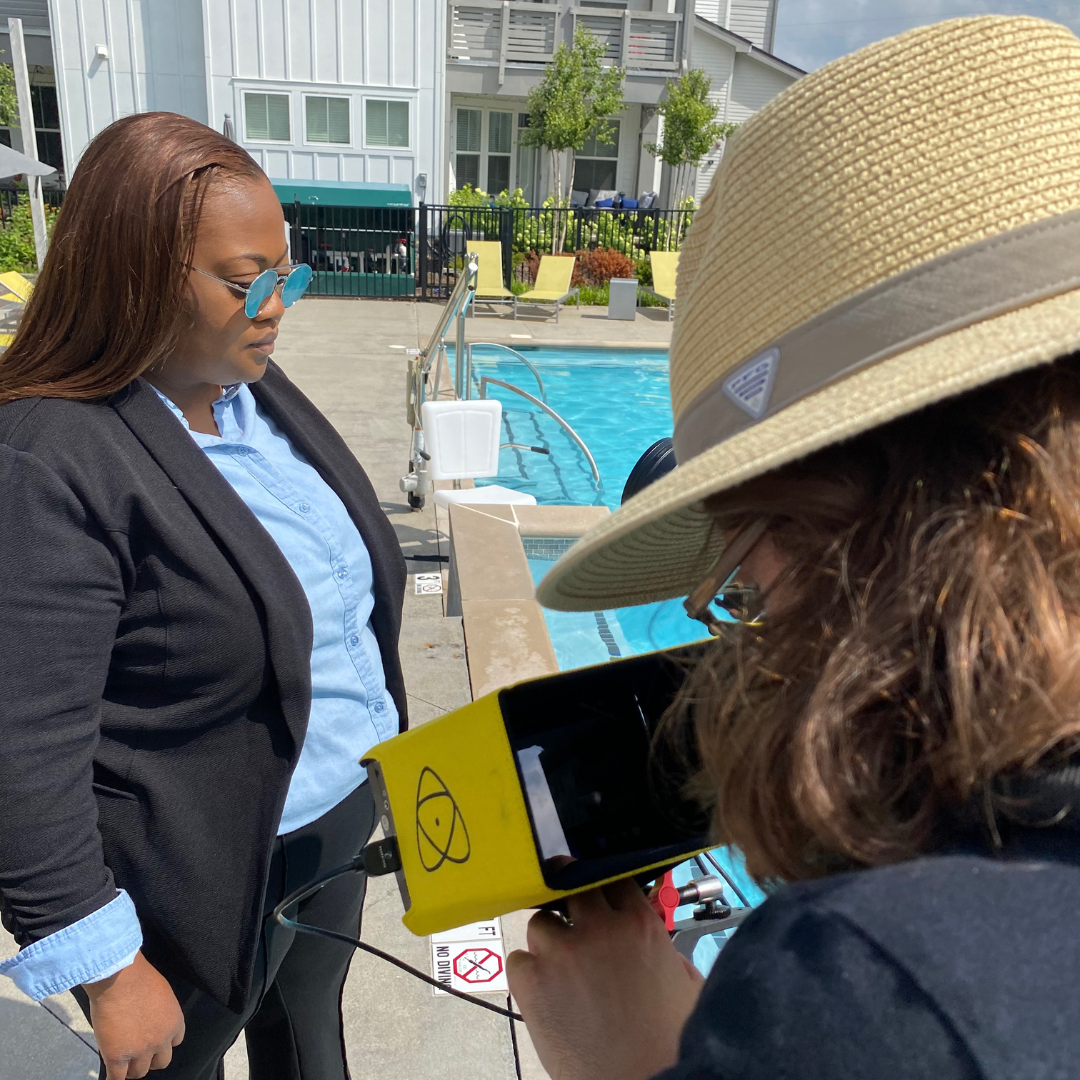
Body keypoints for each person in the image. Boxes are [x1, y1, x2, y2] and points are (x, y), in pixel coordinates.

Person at [511, 16, 1080, 1080]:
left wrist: (640, 1059)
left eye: (743, 578)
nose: (758, 635)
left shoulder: (868, 993)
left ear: (820, 523)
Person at [0, 113, 406, 1079]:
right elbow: (23, 739)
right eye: (244, 281)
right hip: (201, 865)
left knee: (308, 1031)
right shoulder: (51, 460)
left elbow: (344, 607)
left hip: (333, 820)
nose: (276, 306)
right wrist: (102, 960)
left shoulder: (248, 396)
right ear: (135, 276)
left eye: (287, 275)